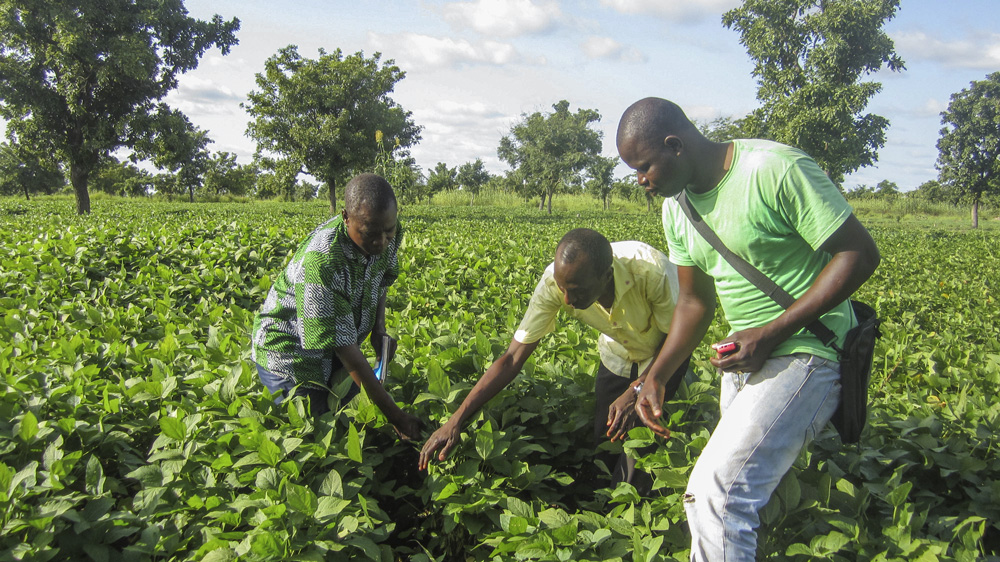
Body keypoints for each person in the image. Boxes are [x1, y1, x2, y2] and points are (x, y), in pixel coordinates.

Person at [615, 97, 881, 560]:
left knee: (716, 495)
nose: (641, 182)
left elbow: (859, 254)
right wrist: (654, 376)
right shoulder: (676, 209)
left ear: (675, 145)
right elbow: (695, 303)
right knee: (748, 496)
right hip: (744, 363)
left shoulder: (774, 170)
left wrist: (771, 332)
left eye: (644, 167)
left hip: (808, 354)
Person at [418, 228, 690, 493]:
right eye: (563, 289)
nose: (568, 300)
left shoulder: (651, 271)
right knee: (605, 442)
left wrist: (638, 389)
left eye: (577, 291)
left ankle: (632, 518)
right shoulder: (555, 283)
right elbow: (513, 358)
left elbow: (678, 337)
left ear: (606, 277)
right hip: (617, 354)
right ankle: (599, 507)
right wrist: (457, 418)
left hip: (666, 355)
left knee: (637, 454)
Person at [251, 173, 421, 440]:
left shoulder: (388, 231)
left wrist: (378, 328)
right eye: (370, 234)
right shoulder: (322, 262)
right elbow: (347, 351)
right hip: (289, 354)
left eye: (388, 231)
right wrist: (397, 416)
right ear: (346, 217)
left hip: (333, 350)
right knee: (316, 438)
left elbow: (382, 279)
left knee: (355, 422)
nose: (382, 242)